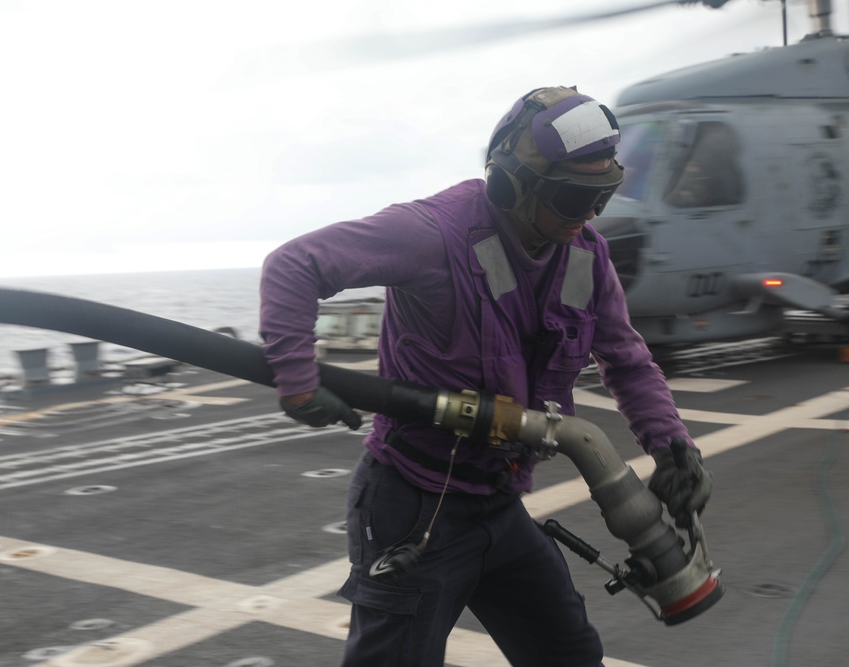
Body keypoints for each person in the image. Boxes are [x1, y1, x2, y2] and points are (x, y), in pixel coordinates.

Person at [258, 86, 712, 667]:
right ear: (512, 183)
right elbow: (295, 265)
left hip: (498, 503)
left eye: (604, 194)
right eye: (574, 198)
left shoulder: (584, 255)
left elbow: (626, 357)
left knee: (569, 655)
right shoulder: (432, 233)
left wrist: (673, 447)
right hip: (414, 506)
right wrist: (297, 379)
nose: (591, 216)